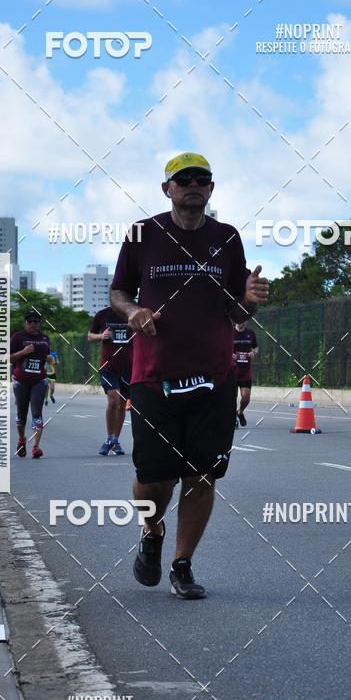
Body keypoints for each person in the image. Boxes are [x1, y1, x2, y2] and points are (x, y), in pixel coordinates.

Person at [110, 152, 268, 599]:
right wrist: (134, 310)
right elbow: (118, 291)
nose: (193, 185)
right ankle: (152, 531)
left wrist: (251, 299)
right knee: (155, 478)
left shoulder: (227, 238)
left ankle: (182, 565)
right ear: (168, 189)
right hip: (153, 375)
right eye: (183, 180)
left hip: (215, 376)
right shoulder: (143, 234)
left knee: (202, 475)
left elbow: (236, 312)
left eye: (202, 179)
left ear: (212, 189)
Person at [88, 306, 133, 456]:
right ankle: (109, 438)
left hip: (128, 368)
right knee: (113, 400)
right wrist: (100, 336)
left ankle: (115, 440)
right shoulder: (103, 315)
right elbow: (89, 336)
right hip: (108, 367)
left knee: (121, 405)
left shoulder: (132, 313)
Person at [9, 310, 53, 459]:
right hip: (20, 381)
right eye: (30, 321)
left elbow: (46, 355)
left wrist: (48, 358)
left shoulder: (44, 338)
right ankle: (21, 439)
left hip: (39, 380)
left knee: (37, 413)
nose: (33, 324)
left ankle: (36, 446)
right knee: (22, 414)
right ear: (25, 322)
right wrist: (23, 352)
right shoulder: (18, 337)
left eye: (36, 321)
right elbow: (8, 358)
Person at [233, 322, 258, 427]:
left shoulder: (250, 333)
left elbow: (256, 348)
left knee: (246, 397)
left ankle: (240, 412)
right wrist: (229, 354)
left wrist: (254, 353)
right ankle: (233, 418)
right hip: (231, 371)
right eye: (239, 320)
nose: (241, 322)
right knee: (231, 398)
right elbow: (221, 347)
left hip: (245, 371)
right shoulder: (230, 332)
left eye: (243, 320)